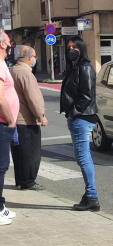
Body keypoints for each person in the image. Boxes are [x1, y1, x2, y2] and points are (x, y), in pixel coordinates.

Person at [60, 36, 99, 212]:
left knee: (83, 158)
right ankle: (90, 195)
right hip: (79, 117)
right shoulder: (74, 68)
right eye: (68, 46)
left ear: (81, 49)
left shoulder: (84, 68)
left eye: (74, 46)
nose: (71, 49)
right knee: (82, 157)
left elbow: (87, 95)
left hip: (82, 117)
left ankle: (92, 197)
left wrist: (73, 113)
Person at [10, 46, 48, 191]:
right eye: (34, 56)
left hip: (14, 118)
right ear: (29, 57)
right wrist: (41, 116)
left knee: (18, 152)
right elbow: (33, 98)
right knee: (31, 152)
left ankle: (20, 180)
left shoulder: (12, 70)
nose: (35, 59)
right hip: (26, 119)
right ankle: (28, 181)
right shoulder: (26, 73)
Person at [0, 30, 19, 225]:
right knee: (1, 166)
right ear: (2, 44)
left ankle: (1, 206)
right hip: (2, 123)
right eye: (8, 40)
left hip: (3, 123)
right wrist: (10, 119)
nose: (10, 44)